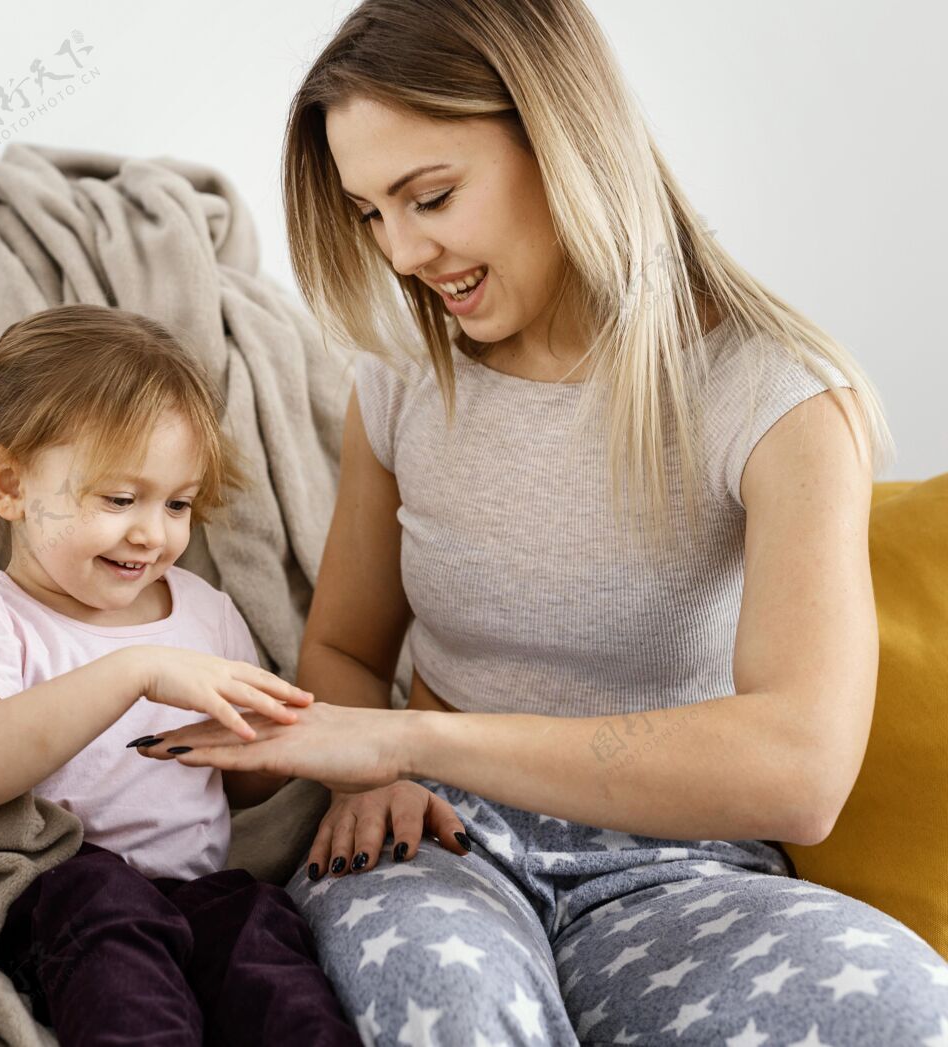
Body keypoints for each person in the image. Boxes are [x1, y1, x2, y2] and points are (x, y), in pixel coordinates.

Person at [132, 1, 948, 1044]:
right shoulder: (397, 385)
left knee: (907, 1009)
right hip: (440, 847)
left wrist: (410, 735)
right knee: (456, 1008)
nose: (403, 252)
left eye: (430, 196)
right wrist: (378, 775)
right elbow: (341, 643)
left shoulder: (777, 396)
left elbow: (800, 773)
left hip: (681, 871)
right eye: (372, 213)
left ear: (560, 136)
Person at [0, 304, 362, 1046]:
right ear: (9, 482)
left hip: (197, 888)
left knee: (261, 930)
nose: (153, 532)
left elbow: (237, 785)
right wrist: (133, 671)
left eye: (178, 503)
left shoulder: (204, 612)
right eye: (119, 499)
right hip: (61, 891)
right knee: (108, 915)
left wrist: (274, 738)